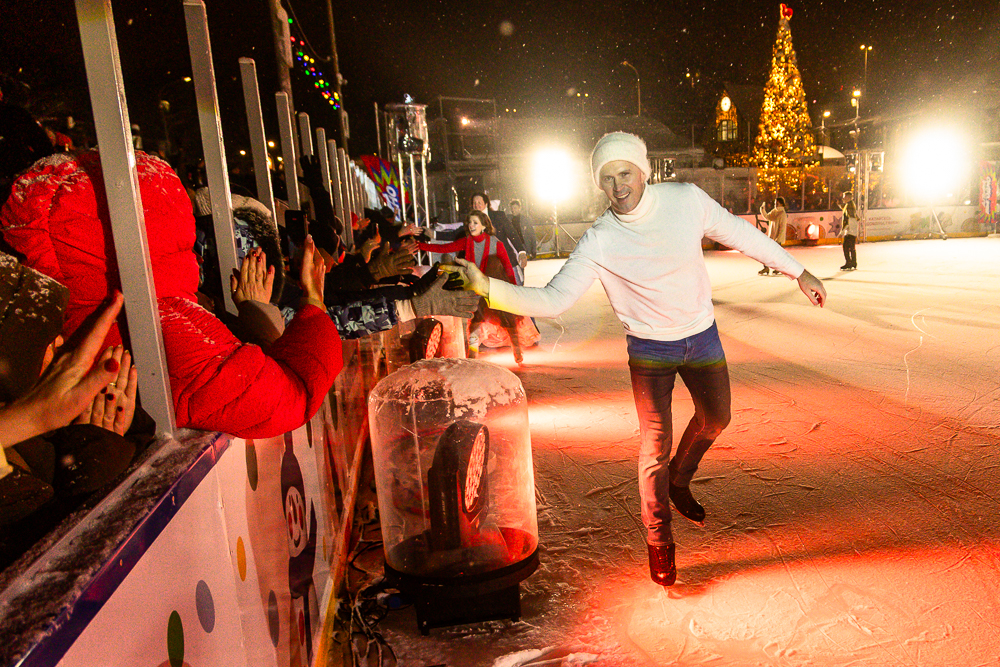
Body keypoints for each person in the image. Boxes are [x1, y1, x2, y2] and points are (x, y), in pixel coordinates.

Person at [446, 132, 826, 586]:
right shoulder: (601, 239)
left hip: (701, 336)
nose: (617, 186)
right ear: (599, 186)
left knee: (717, 418)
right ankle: (660, 541)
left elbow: (742, 235)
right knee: (653, 446)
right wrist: (486, 287)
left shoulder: (685, 200)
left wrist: (799, 271)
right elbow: (553, 298)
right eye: (606, 179)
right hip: (649, 350)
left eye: (624, 173)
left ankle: (680, 480)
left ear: (642, 171)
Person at [418, 210, 538, 364]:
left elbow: (508, 267)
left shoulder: (496, 243)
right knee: (475, 322)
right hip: (476, 290)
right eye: (470, 222)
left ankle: (517, 350)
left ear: (484, 226)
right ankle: (473, 355)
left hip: (494, 289)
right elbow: (445, 248)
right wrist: (420, 246)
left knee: (507, 321)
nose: (471, 225)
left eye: (475, 222)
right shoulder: (467, 241)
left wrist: (514, 290)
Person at [758, 197, 787, 275]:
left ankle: (776, 268)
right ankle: (767, 268)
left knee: (774, 255)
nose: (775, 204)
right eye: (774, 203)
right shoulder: (775, 211)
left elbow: (782, 228)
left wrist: (779, 239)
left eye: (776, 203)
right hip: (771, 237)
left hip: (777, 239)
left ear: (781, 203)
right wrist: (762, 210)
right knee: (766, 253)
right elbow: (767, 217)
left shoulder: (782, 214)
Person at [840, 191, 859, 270]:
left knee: (846, 246)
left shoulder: (848, 206)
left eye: (844, 197)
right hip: (852, 229)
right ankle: (853, 262)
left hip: (850, 230)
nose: (843, 198)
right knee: (851, 247)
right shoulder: (851, 205)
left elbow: (848, 219)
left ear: (848, 198)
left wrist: (843, 230)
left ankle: (849, 262)